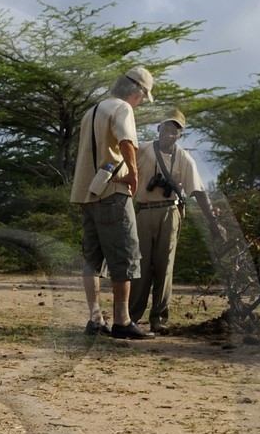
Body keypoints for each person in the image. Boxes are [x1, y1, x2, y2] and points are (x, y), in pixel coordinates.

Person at [70, 67, 154, 340]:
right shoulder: (122, 108)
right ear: (136, 92)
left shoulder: (91, 111)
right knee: (125, 256)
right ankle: (122, 321)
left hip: (87, 194)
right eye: (142, 98)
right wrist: (133, 173)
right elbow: (126, 141)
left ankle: (95, 320)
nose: (139, 103)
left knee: (91, 260)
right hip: (112, 192)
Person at [131, 110, 219, 335]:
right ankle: (131, 317)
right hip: (143, 211)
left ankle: (159, 318)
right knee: (140, 265)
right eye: (166, 129)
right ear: (158, 129)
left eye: (174, 131)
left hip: (170, 212)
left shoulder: (184, 158)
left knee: (165, 266)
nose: (169, 134)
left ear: (180, 135)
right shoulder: (142, 149)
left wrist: (213, 222)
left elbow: (198, 191)